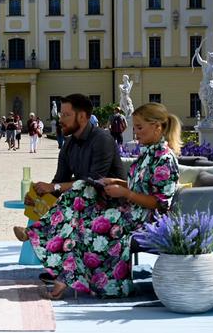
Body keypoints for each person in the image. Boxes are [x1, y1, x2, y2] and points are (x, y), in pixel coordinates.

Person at [14, 102, 181, 299]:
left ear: (157, 127)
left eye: (139, 127)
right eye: (134, 126)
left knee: (84, 224)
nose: (135, 132)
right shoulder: (148, 153)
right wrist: (117, 182)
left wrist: (124, 193)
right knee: (83, 189)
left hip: (148, 219)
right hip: (130, 210)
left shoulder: (164, 159)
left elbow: (160, 203)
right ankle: (50, 250)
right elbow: (139, 186)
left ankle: (46, 247)